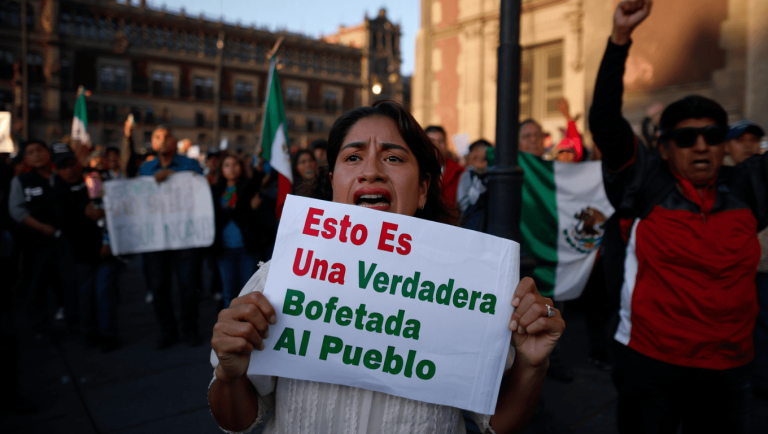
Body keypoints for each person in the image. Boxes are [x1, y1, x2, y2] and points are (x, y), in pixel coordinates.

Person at [208, 101, 565, 434]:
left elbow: (499, 422)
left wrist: (531, 366)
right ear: (333, 183)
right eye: (353, 157)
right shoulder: (278, 279)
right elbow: (237, 421)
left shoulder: (468, 293)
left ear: (423, 188)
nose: (371, 171)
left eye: (393, 158)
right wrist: (230, 375)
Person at [589, 1, 765, 432]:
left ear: (726, 145)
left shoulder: (749, 186)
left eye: (713, 135)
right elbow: (607, 123)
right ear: (665, 147)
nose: (701, 145)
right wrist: (619, 38)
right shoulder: (645, 182)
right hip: (652, 363)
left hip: (730, 366)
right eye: (687, 137)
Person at [138, 125, 205, 349]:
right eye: (158, 137)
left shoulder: (190, 164)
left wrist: (175, 177)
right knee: (159, 286)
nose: (163, 140)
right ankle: (167, 330)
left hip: (185, 236)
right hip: (156, 238)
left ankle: (189, 329)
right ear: (153, 143)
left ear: (175, 140)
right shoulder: (146, 169)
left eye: (167, 136)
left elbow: (201, 188)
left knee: (188, 284)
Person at [51, 143, 120, 352]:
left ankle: (108, 334)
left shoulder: (92, 179)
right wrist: (83, 208)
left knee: (104, 294)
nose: (70, 170)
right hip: (79, 255)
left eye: (72, 164)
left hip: (103, 251)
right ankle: (90, 331)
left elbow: (103, 211)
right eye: (63, 166)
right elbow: (68, 217)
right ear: (56, 168)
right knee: (85, 296)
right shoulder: (56, 190)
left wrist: (107, 241)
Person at [7, 140, 80, 333]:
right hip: (36, 243)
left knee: (68, 282)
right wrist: (41, 227)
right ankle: (40, 327)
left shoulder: (61, 176)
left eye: (39, 150)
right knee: (37, 285)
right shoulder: (21, 181)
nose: (36, 155)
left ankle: (73, 320)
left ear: (48, 153)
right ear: (26, 159)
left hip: (65, 241)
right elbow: (16, 210)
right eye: (31, 152)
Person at [726, 120, 768, 401]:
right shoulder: (720, 183)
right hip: (733, 276)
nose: (749, 145)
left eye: (754, 139)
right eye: (741, 140)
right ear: (727, 147)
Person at [212, 155, 272, 309]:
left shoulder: (249, 187)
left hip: (248, 250)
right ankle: (228, 330)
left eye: (235, 164)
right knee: (228, 294)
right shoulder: (214, 190)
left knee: (248, 294)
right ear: (221, 169)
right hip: (224, 251)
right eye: (227, 164)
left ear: (242, 167)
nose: (231, 168)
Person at [424, 125, 464, 213]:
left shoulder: (459, 172)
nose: (436, 146)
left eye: (440, 141)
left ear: (446, 144)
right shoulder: (415, 171)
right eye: (431, 142)